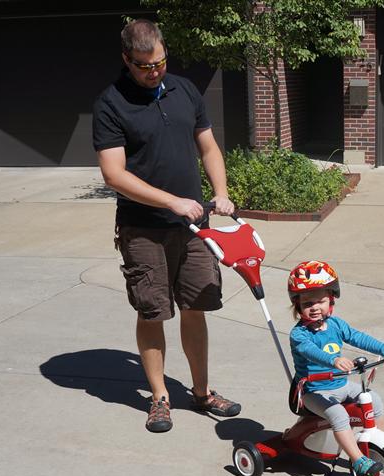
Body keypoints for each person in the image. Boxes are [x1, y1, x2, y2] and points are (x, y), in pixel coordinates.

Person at [92, 19, 240, 433]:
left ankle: (202, 391)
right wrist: (171, 201)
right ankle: (159, 398)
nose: (154, 71)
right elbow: (114, 174)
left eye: (159, 62)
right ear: (126, 59)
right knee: (153, 311)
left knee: (196, 307)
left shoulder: (184, 90)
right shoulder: (111, 104)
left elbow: (208, 146)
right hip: (143, 228)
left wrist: (221, 192)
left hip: (193, 228)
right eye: (144, 66)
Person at [286, 260, 384, 476]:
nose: (315, 307)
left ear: (331, 300)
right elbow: (311, 351)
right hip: (313, 392)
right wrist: (333, 360)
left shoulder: (336, 325)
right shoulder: (299, 334)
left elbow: (359, 338)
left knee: (373, 399)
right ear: (298, 305)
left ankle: (381, 444)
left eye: (320, 301)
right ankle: (358, 460)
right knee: (339, 414)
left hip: (340, 385)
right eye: (308, 303)